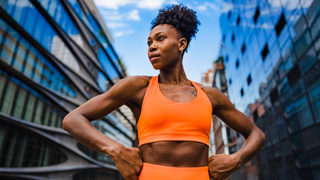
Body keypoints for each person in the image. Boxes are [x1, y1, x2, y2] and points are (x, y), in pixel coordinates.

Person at [62, 4, 266, 180]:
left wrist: (236, 160)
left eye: (160, 39)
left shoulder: (210, 95)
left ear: (181, 44)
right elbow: (73, 120)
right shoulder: (138, 87)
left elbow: (256, 134)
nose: (152, 47)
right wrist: (116, 149)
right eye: (149, 42)